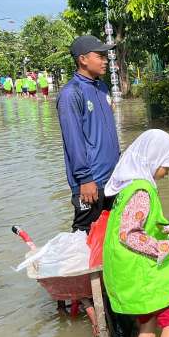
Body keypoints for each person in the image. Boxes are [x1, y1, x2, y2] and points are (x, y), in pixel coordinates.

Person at [102, 129, 169, 337]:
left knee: (147, 319)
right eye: (166, 166)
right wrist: (167, 246)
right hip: (140, 270)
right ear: (152, 159)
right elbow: (129, 234)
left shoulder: (129, 185)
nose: (168, 171)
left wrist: (168, 230)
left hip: (126, 271)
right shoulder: (142, 191)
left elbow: (140, 223)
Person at [57, 35, 120, 232]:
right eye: (100, 56)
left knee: (111, 235)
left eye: (105, 56)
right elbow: (73, 141)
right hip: (90, 183)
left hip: (112, 178)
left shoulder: (101, 87)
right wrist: (85, 179)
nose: (105, 60)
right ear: (83, 59)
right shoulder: (71, 93)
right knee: (84, 239)